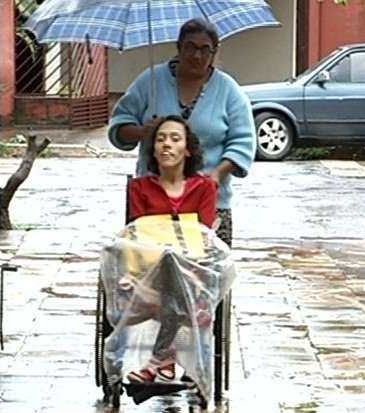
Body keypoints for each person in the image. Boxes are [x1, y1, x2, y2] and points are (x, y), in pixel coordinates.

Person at [108, 17, 256, 249]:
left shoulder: (228, 90)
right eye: (190, 47)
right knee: (151, 273)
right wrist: (142, 132)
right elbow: (119, 125)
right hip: (153, 200)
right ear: (178, 47)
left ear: (214, 52)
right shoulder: (151, 81)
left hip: (209, 200)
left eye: (205, 49)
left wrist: (216, 175)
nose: (197, 55)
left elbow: (243, 142)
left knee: (206, 274)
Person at [121, 115, 216, 383]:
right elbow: (138, 234)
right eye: (160, 139)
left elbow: (202, 236)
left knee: (174, 265)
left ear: (187, 149)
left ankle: (158, 361)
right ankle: (167, 359)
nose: (167, 145)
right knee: (166, 262)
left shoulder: (204, 187)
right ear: (152, 149)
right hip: (147, 273)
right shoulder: (140, 188)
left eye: (175, 139)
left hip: (191, 274)